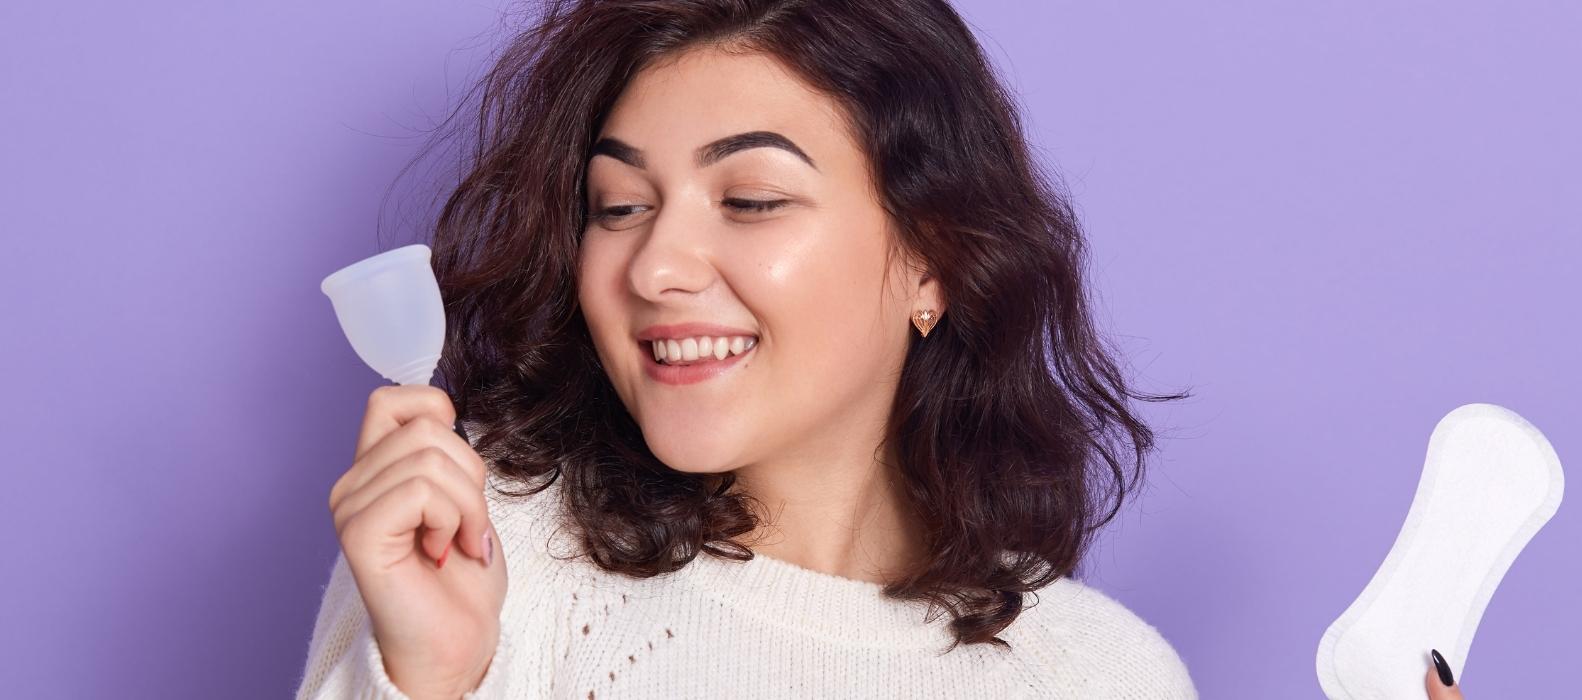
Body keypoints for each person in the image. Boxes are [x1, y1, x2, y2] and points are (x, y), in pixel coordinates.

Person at [294, 1, 1447, 698]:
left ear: (933, 259)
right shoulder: (487, 560)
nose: (654, 268)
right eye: (618, 205)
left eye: (749, 199)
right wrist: (431, 678)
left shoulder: (1097, 677)